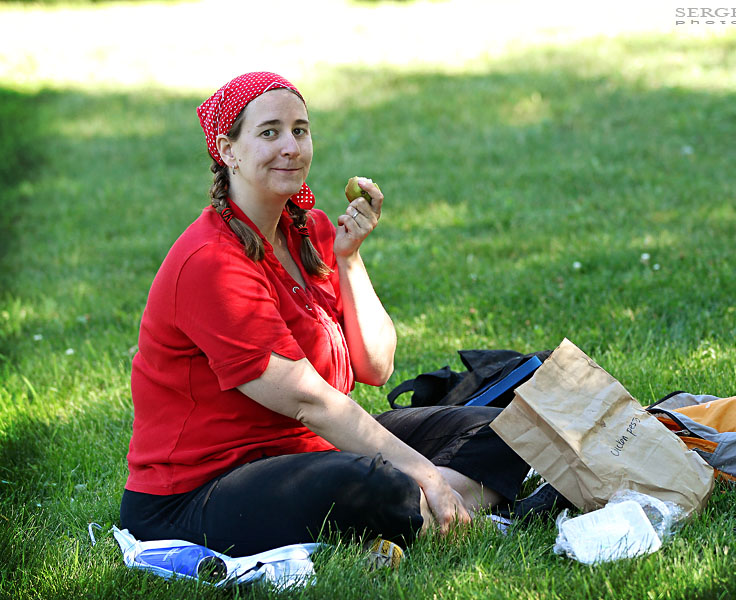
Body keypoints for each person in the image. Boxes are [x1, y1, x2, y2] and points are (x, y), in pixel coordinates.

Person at [119, 72, 540, 558]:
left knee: (504, 429)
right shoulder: (211, 262)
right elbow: (308, 401)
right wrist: (424, 474)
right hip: (199, 492)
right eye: (269, 132)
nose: (290, 147)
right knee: (378, 484)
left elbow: (375, 368)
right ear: (228, 150)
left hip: (310, 450)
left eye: (300, 130)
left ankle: (422, 515)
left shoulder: (310, 230)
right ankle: (438, 504)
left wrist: (349, 259)